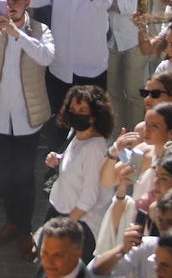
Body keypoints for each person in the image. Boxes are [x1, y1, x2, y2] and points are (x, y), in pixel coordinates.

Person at [0, 0, 56, 259]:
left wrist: (16, 33)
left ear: (27, 3)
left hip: (26, 118)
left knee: (24, 178)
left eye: (16, 2)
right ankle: (11, 221)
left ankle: (24, 229)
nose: (12, 8)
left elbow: (46, 57)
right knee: (6, 176)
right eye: (6, 2)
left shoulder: (39, 29)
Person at [30, 0, 114, 133]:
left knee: (92, 126)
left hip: (91, 70)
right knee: (59, 126)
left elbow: (104, 1)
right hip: (60, 70)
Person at [93, 0, 155, 134]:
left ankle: (136, 137)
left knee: (135, 94)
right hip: (106, 39)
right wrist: (113, 4)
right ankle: (116, 139)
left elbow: (136, 6)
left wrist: (106, 2)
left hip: (133, 39)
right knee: (112, 94)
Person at [45, 86, 116, 258]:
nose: (76, 114)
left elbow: (88, 198)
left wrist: (64, 230)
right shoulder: (77, 135)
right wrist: (58, 159)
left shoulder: (94, 149)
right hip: (60, 211)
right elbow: (76, 164)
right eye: (73, 110)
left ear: (94, 116)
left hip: (78, 225)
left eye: (82, 110)